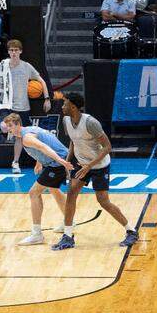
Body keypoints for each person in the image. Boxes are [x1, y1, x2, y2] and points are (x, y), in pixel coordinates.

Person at [52, 92, 140, 250]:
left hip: (99, 165)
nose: (62, 106)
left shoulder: (91, 123)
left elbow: (108, 147)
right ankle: (68, 235)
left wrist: (89, 166)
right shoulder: (66, 120)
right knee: (71, 194)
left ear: (73, 106)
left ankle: (131, 231)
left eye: (64, 103)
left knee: (103, 201)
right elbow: (73, 141)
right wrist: (67, 160)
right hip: (81, 163)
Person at [1, 112, 72, 246]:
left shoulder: (26, 138)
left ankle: (36, 234)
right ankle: (68, 220)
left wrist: (61, 161)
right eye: (7, 126)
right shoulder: (28, 131)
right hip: (57, 160)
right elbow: (42, 144)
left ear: (18, 125)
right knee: (53, 189)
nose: (8, 129)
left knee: (34, 193)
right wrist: (39, 161)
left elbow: (44, 147)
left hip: (57, 163)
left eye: (10, 126)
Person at [0, 39, 50, 173]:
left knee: (22, 137)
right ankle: (9, 133)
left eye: (16, 50)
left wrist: (47, 98)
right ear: (8, 52)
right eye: (11, 50)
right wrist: (6, 95)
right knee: (3, 126)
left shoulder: (26, 66)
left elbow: (41, 80)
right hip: (7, 105)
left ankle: (16, 162)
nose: (13, 53)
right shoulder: (2, 66)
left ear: (20, 51)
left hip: (23, 106)